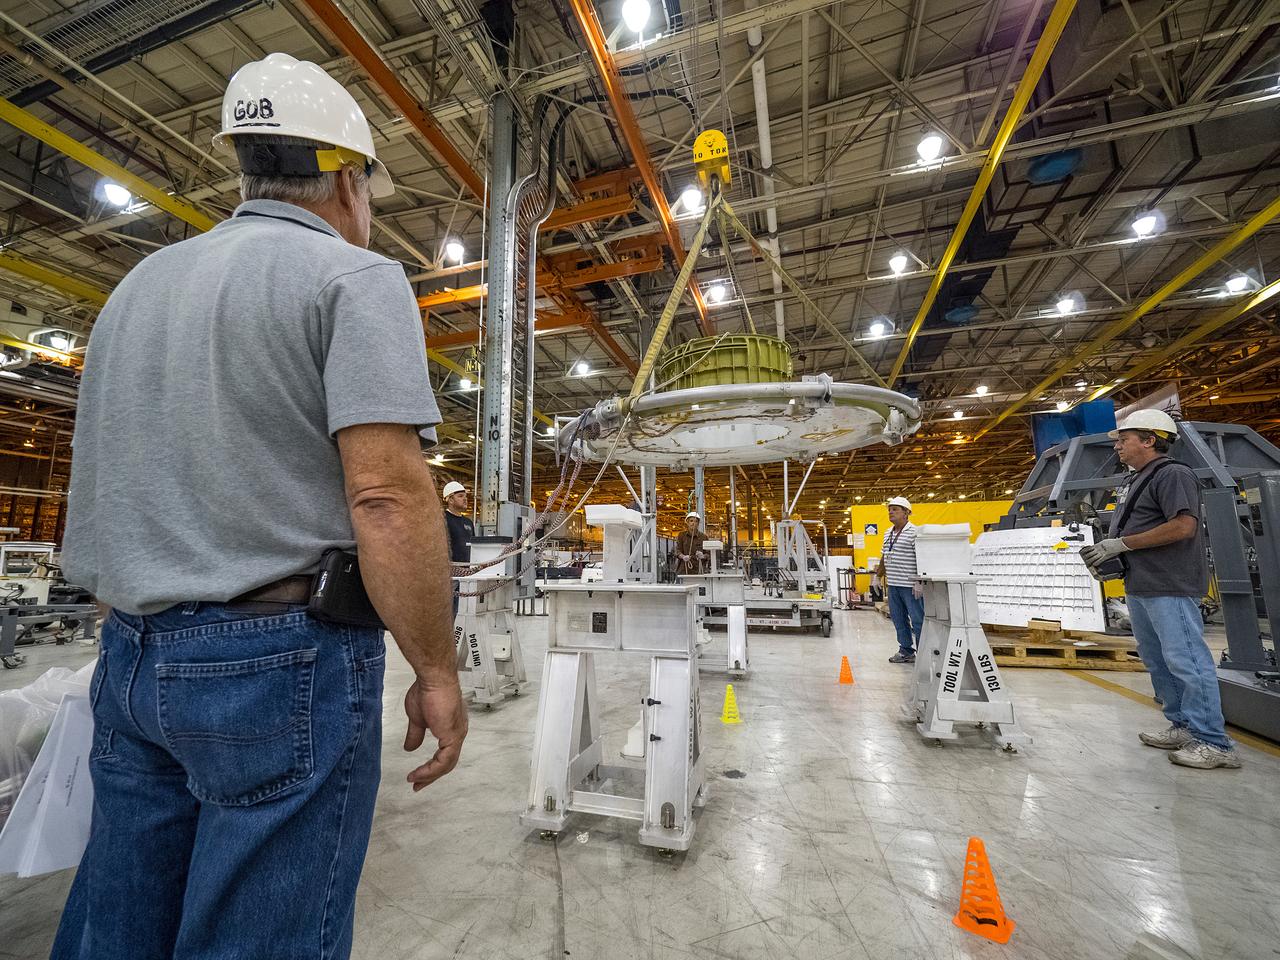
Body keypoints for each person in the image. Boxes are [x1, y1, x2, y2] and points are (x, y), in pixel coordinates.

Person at [52, 53, 468, 960]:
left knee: (117, 925)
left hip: (129, 656)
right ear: (347, 180)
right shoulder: (352, 279)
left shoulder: (136, 289)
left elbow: (106, 481)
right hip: (277, 664)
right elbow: (387, 494)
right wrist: (434, 667)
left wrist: (134, 616)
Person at [1082, 409, 1239, 770]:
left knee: (1187, 660)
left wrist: (1122, 545)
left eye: (1125, 439)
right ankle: (1183, 724)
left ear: (1150, 440)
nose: (1118, 446)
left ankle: (1214, 742)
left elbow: (1183, 526)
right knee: (1157, 660)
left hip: (1169, 582)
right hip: (1143, 583)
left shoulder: (1173, 475)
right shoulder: (1138, 479)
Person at [876, 496, 923, 663]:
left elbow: (922, 557)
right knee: (898, 619)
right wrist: (878, 576)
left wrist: (919, 580)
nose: (891, 512)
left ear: (906, 513)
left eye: (895, 509)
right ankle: (906, 651)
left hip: (910, 585)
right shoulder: (888, 533)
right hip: (894, 584)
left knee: (918, 620)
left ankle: (924, 652)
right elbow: (884, 555)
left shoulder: (914, 532)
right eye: (889, 509)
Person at [443, 480, 473, 615]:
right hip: (450, 576)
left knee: (466, 614)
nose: (465, 499)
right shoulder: (442, 519)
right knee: (450, 614)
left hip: (468, 576)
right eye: (460, 496)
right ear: (450, 499)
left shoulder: (468, 522)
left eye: (465, 496)